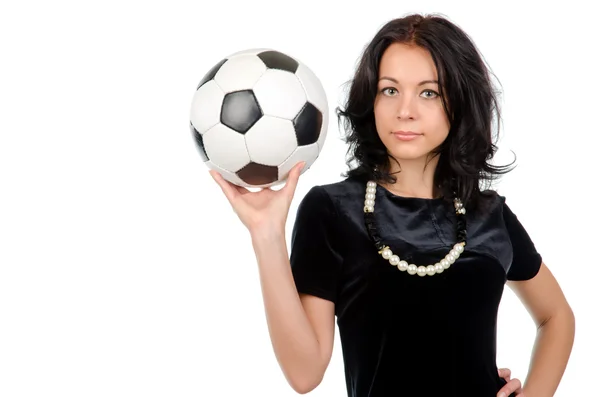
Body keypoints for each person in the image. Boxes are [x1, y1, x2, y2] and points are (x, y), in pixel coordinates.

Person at [209, 13, 575, 397]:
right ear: (371, 99)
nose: (406, 110)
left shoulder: (488, 214)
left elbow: (557, 316)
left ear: (461, 102)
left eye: (429, 92)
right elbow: (305, 373)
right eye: (390, 90)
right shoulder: (333, 211)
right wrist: (266, 234)